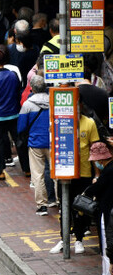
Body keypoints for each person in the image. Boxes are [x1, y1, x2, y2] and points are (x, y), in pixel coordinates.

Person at [51, 94, 101, 255]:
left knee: (82, 208)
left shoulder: (89, 123)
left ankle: (79, 239)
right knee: (64, 208)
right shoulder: (60, 122)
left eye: (76, 104)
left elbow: (95, 150)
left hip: (84, 174)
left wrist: (97, 174)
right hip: (65, 174)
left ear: (81, 105)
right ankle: (63, 238)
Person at [0, 45, 27, 180]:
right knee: (19, 141)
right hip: (13, 113)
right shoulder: (13, 75)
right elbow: (18, 91)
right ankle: (27, 169)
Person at [18, 74, 52, 214]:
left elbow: (21, 127)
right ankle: (59, 202)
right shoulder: (53, 101)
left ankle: (42, 205)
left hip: (35, 143)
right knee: (56, 174)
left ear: (32, 88)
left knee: (38, 175)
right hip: (52, 142)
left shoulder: (27, 104)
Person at [82, 141, 113, 275]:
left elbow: (95, 189)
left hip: (107, 213)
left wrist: (89, 190)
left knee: (107, 247)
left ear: (100, 160)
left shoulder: (108, 172)